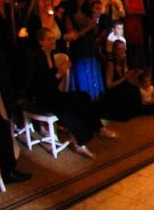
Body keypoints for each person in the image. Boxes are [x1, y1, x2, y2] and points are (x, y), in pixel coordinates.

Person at [27, 28, 116, 159]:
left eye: (53, 39)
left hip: (53, 94)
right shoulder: (37, 58)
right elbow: (43, 86)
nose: (53, 41)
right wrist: (59, 73)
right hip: (43, 99)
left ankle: (99, 128)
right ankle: (81, 143)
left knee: (83, 96)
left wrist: (60, 72)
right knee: (69, 110)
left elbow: (53, 83)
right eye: (49, 39)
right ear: (41, 42)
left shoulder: (50, 55)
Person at [65, 0, 104, 101]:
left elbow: (95, 31)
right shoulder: (70, 15)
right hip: (78, 49)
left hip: (89, 47)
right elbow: (73, 35)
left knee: (92, 75)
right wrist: (87, 28)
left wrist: (95, 20)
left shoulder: (88, 13)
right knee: (82, 76)